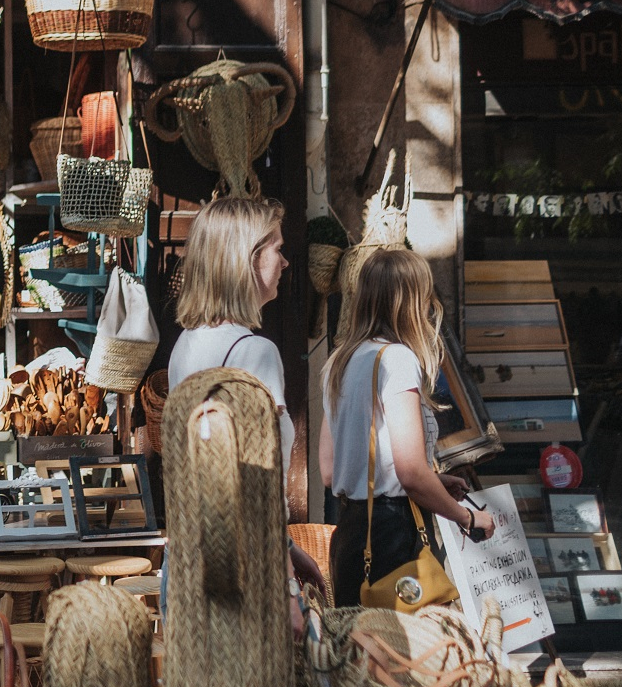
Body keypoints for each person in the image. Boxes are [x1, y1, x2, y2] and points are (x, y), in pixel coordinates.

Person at [168, 196, 327, 623]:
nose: (286, 262)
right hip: (245, 574)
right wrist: (288, 583)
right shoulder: (256, 353)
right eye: (276, 248)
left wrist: (292, 550)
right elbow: (257, 484)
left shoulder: (186, 344)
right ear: (248, 260)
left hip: (189, 563)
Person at [319, 248, 494, 607]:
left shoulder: (341, 360)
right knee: (409, 655)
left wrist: (435, 482)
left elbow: (329, 470)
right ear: (414, 302)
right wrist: (467, 517)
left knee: (363, 656)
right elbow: (411, 471)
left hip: (352, 533)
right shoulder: (397, 359)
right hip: (392, 535)